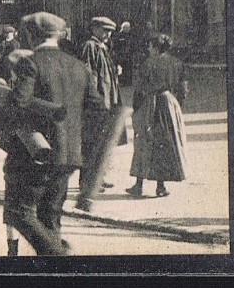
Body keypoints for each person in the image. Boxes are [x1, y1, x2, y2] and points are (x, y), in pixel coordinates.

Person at [0, 12, 102, 256]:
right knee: (50, 217)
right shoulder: (79, 66)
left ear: (30, 36)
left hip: (36, 153)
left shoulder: (31, 63)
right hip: (68, 157)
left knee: (18, 211)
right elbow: (98, 108)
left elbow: (19, 102)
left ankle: (57, 255)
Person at [126, 34, 188, 198]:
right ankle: (161, 187)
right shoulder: (177, 63)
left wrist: (136, 109)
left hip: (150, 104)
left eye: (150, 46)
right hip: (169, 103)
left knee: (144, 142)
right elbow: (183, 90)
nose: (148, 49)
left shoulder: (147, 64)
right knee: (164, 145)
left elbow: (139, 89)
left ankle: (138, 186)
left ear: (155, 47)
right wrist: (177, 107)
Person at [78, 16, 121, 206]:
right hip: (97, 103)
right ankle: (86, 182)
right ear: (94, 28)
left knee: (101, 142)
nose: (107, 34)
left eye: (110, 31)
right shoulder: (90, 46)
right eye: (104, 30)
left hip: (107, 101)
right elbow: (88, 74)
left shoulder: (103, 47)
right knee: (91, 143)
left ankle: (98, 178)